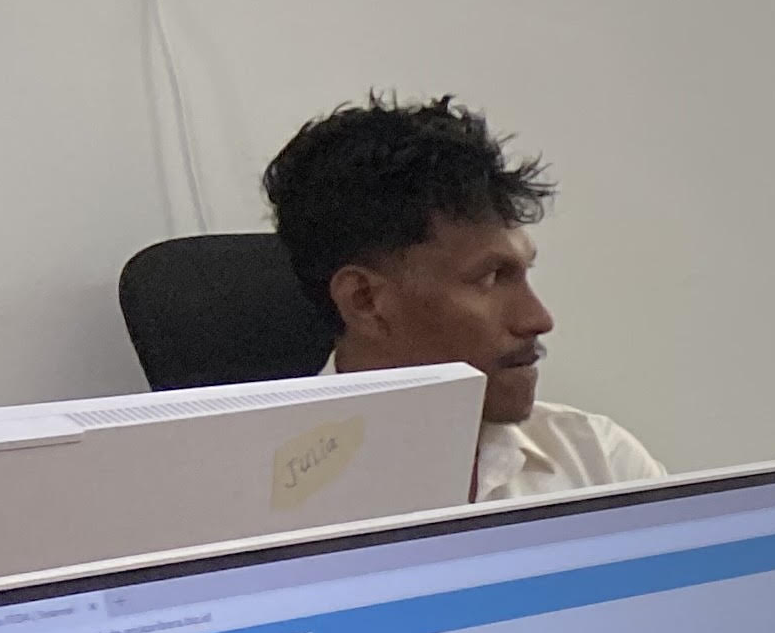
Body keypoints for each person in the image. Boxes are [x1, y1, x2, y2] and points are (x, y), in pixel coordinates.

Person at [264, 94, 665, 499]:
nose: (538, 318)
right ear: (364, 300)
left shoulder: (599, 463)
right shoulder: (252, 498)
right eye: (490, 277)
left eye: (524, 273)